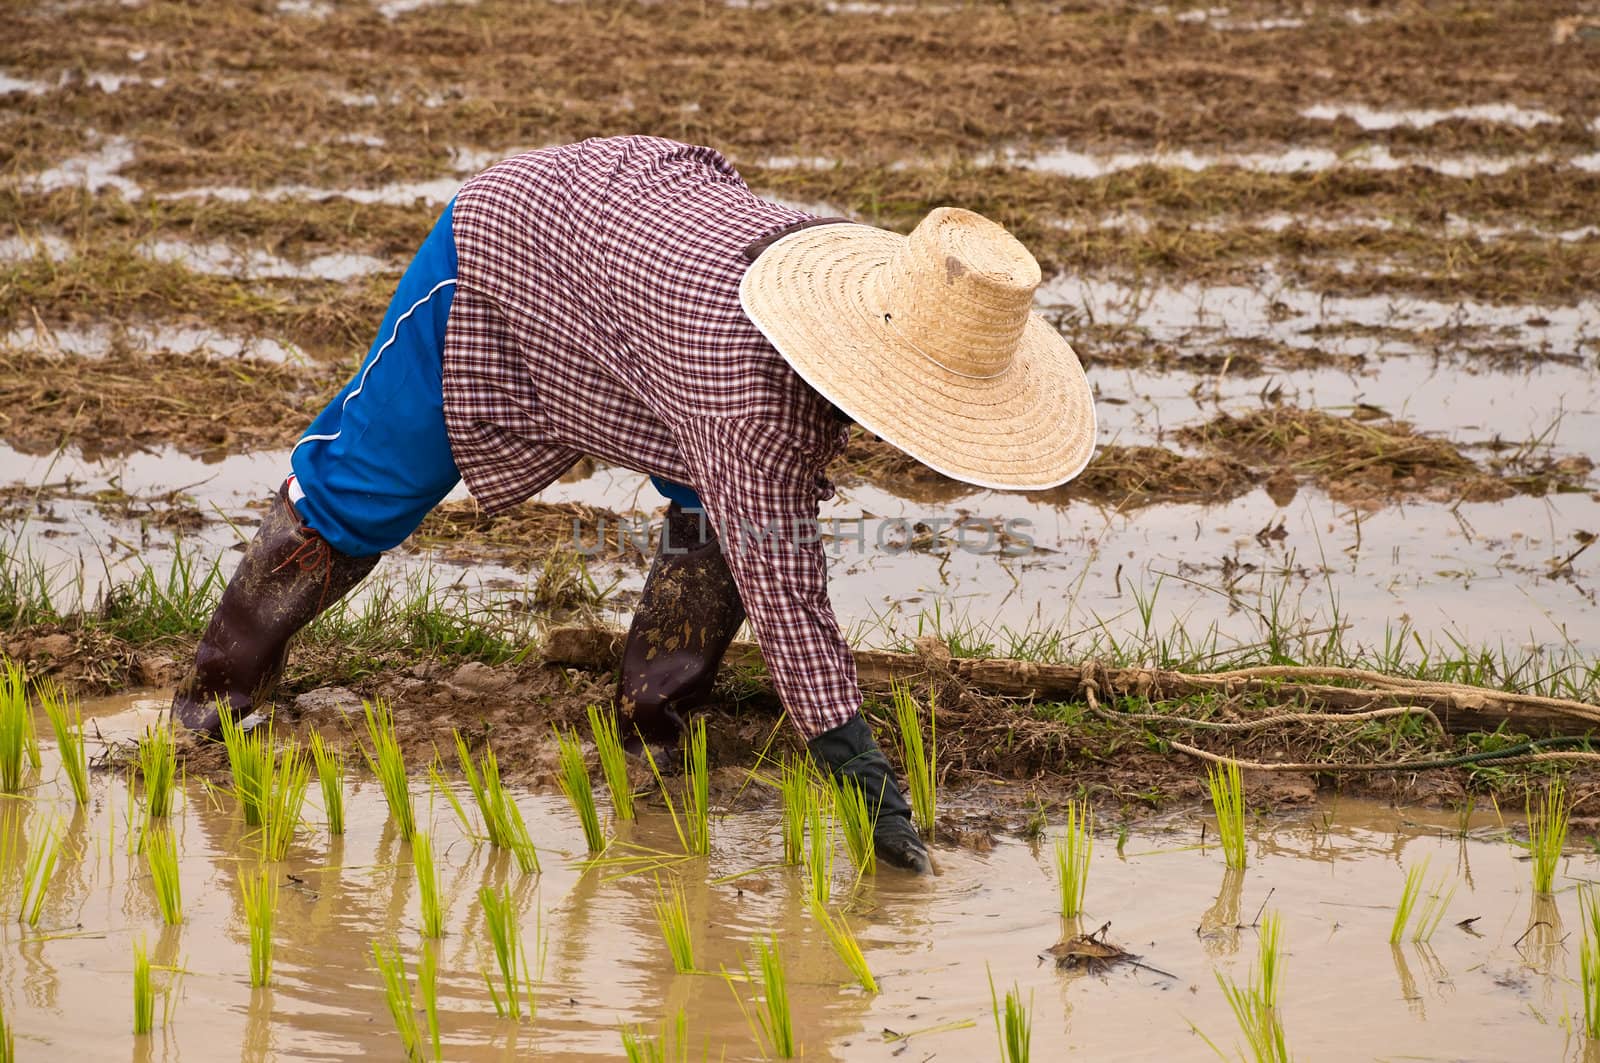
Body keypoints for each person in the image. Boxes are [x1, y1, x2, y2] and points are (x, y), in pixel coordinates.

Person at [170, 135, 1096, 874]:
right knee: (368, 483)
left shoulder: (876, 293)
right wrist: (857, 766)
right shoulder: (751, 400)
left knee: (726, 511)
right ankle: (215, 701)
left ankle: (652, 728)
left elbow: (759, 509)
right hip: (512, 245)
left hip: (646, 267)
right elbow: (789, 590)